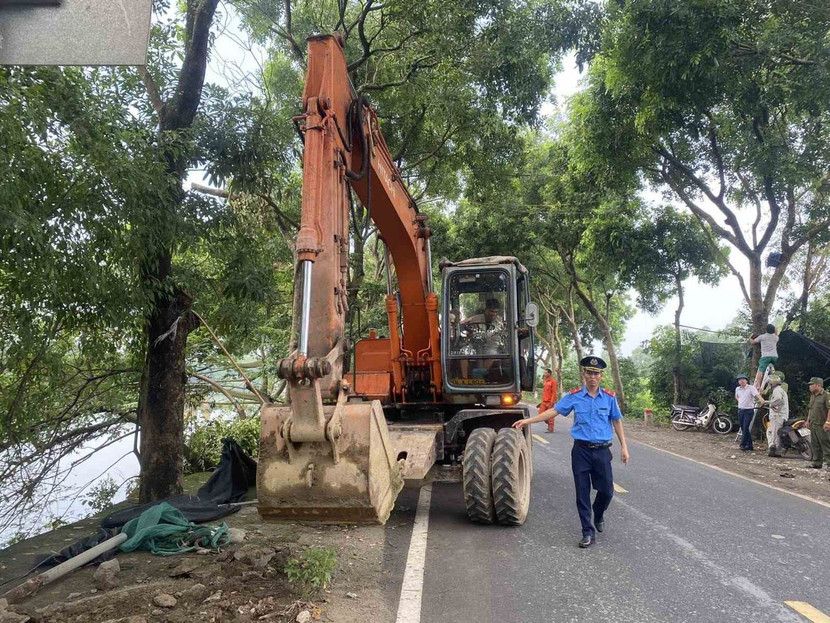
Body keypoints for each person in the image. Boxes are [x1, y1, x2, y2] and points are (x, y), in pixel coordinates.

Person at [513, 356, 629, 548]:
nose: (592, 377)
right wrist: (528, 421)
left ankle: (598, 513)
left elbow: (616, 420)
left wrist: (624, 447)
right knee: (582, 492)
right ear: (584, 375)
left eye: (596, 373)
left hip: (602, 451)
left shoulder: (609, 398)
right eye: (589, 373)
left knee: (607, 491)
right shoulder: (574, 396)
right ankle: (587, 532)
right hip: (581, 452)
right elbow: (554, 411)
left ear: (601, 376)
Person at [805, 376, 830, 469]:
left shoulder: (826, 395)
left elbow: (829, 409)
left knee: (825, 443)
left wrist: (828, 422)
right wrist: (808, 420)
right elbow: (811, 409)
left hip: (822, 424)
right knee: (815, 444)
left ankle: (829, 462)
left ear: (818, 385)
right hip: (813, 423)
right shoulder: (813, 396)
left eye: (812, 385)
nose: (810, 387)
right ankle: (817, 462)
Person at [735, 374, 762, 451]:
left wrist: (762, 401)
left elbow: (757, 395)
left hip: (748, 410)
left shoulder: (751, 388)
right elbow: (736, 396)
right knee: (744, 428)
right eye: (740, 380)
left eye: (743, 379)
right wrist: (741, 401)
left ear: (746, 381)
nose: (742, 381)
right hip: (740, 410)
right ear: (738, 382)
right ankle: (750, 445)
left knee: (745, 427)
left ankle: (742, 444)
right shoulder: (737, 389)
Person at [765, 374, 788, 458]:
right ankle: (774, 448)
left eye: (769, 383)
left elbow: (779, 401)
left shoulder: (777, 391)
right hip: (780, 415)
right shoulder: (780, 390)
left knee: (775, 433)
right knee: (772, 431)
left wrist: (769, 404)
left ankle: (776, 451)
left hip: (777, 415)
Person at [750, 324, 779, 390]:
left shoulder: (762, 337)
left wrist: (750, 337)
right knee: (773, 371)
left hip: (765, 357)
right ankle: (774, 384)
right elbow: (777, 334)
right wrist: (776, 330)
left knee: (761, 371)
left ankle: (758, 385)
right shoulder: (775, 338)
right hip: (774, 357)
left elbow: (752, 342)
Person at [538, 368, 558, 433]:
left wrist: (552, 402)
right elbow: (545, 392)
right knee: (541, 413)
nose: (544, 374)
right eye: (544, 372)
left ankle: (550, 428)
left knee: (550, 415)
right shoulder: (545, 381)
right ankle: (548, 421)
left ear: (549, 373)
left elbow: (554, 393)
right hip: (544, 401)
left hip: (550, 402)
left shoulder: (553, 382)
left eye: (546, 373)